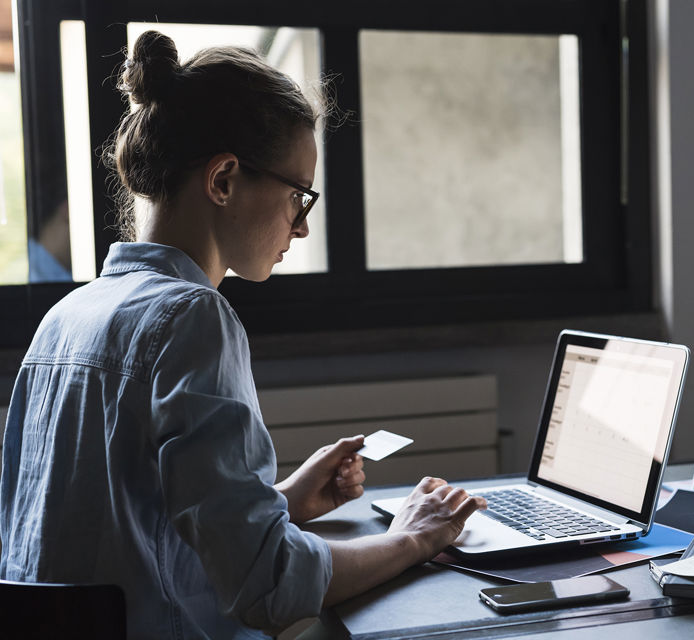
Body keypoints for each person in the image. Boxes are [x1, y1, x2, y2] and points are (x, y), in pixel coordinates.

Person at [0, 29, 486, 638]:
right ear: (224, 179)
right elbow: (272, 584)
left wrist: (279, 501)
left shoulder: (67, 317)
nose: (301, 229)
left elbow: (128, 531)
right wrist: (415, 537)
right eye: (298, 198)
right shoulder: (192, 319)